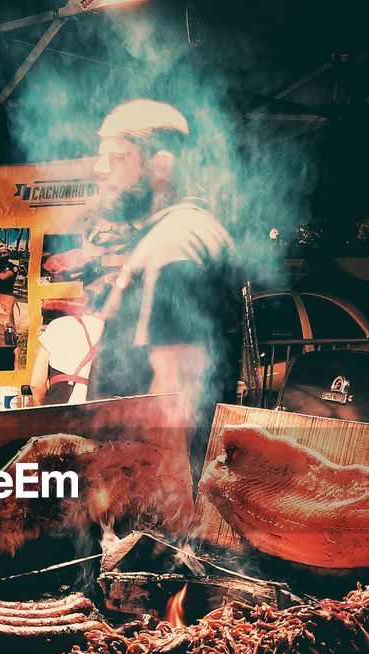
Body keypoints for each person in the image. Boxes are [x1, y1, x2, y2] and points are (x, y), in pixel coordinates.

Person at [83, 99, 239, 448]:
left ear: (161, 165)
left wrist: (120, 482)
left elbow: (175, 399)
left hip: (153, 481)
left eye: (118, 156)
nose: (100, 168)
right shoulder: (168, 236)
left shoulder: (175, 244)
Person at [30, 311, 104, 405]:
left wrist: (41, 408)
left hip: (58, 405)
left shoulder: (58, 325)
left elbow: (36, 383)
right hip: (97, 409)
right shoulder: (111, 333)